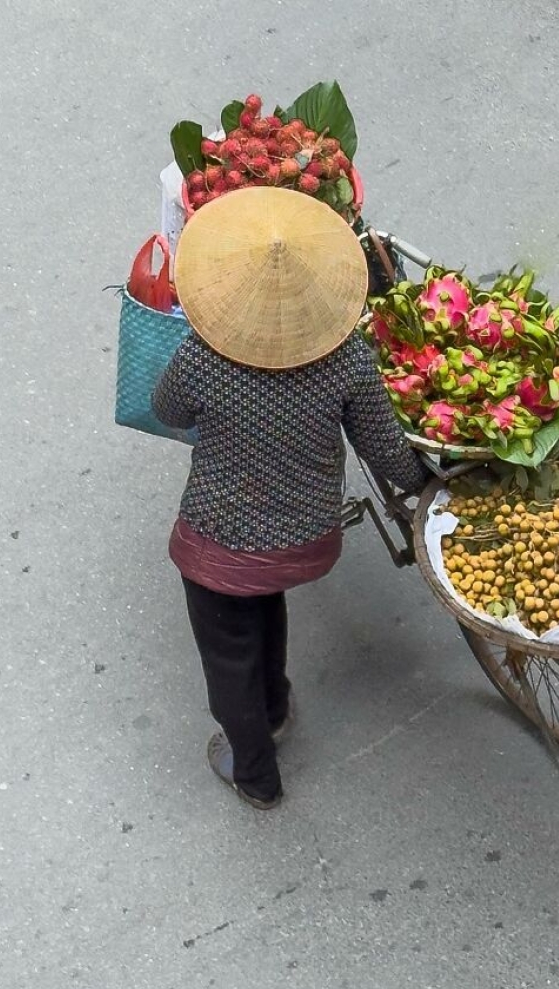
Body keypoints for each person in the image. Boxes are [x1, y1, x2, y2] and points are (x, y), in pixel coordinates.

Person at [152, 187, 429, 811]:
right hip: (304, 542)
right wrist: (431, 486)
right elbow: (388, 454)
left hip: (219, 547)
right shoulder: (349, 358)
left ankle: (255, 773)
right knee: (264, 605)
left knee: (228, 651)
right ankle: (274, 709)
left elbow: (165, 409)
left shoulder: (202, 355)